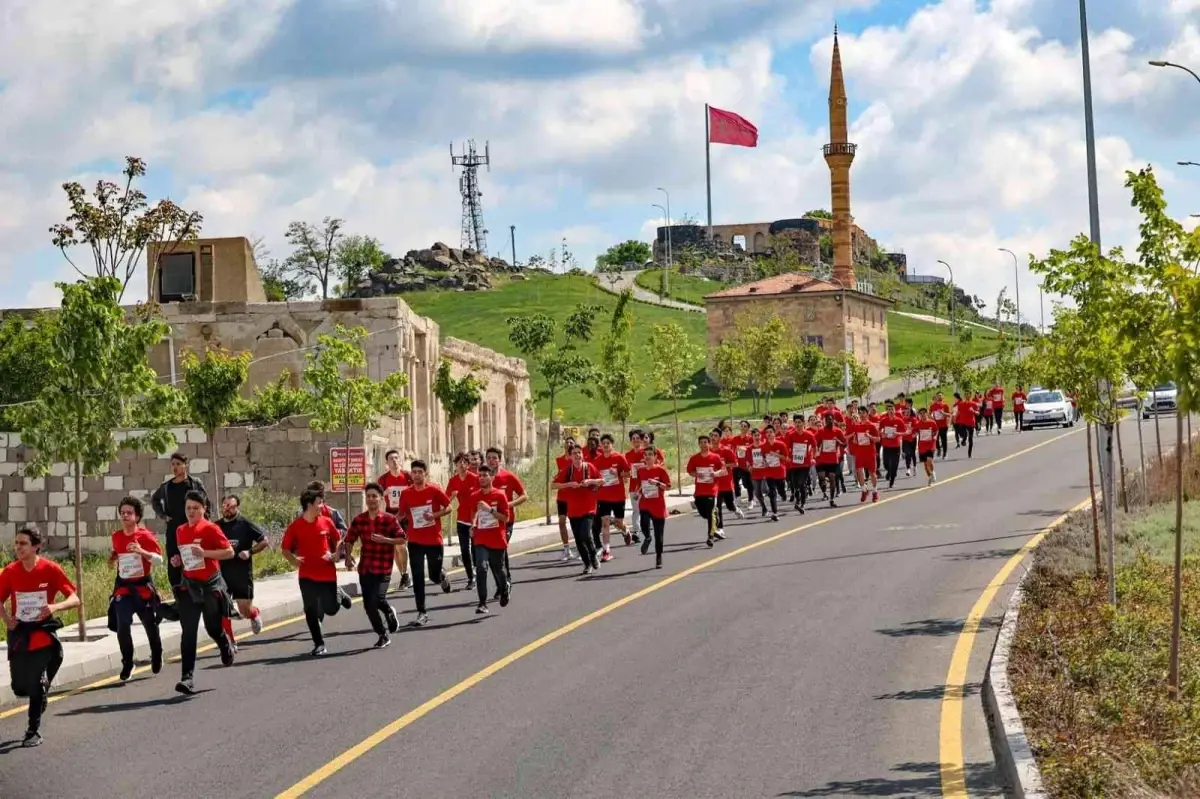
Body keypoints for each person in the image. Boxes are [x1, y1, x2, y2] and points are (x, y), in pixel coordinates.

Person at [2, 526, 81, 746]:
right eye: (16, 543)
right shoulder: (10, 571)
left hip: (43, 634)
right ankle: (41, 692)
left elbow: (75, 599)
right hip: (19, 635)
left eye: (23, 543)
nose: (18, 547)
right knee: (20, 687)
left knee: (36, 684)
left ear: (36, 546)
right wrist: (7, 620)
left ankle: (32, 731)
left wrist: (55, 607)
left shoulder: (51, 569)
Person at [172, 491, 236, 694]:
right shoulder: (180, 530)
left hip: (210, 586)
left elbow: (229, 552)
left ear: (203, 509)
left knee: (212, 628)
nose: (191, 511)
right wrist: (178, 561)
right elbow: (186, 557)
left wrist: (205, 553)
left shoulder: (211, 529)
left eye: (195, 508)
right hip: (190, 586)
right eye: (188, 508)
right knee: (188, 633)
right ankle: (187, 678)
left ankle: (224, 643)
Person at [281, 489, 352, 657]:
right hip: (306, 576)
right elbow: (284, 549)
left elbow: (339, 538)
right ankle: (319, 644)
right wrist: (293, 560)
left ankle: (339, 595)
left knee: (331, 609)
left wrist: (336, 554)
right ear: (309, 504)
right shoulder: (296, 526)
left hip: (327, 574)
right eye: (319, 502)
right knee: (310, 610)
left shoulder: (326, 522)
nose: (322, 506)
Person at [108, 496, 164, 682]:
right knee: (122, 625)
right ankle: (128, 662)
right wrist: (112, 559)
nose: (125, 515)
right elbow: (117, 554)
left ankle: (157, 654)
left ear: (137, 516)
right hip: (123, 588)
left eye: (129, 513)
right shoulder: (116, 536)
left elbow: (159, 560)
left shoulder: (145, 536)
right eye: (122, 513)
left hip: (143, 588)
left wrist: (142, 552)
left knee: (150, 624)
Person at [343, 482, 403, 648]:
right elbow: (349, 539)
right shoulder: (359, 520)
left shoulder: (389, 520)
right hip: (366, 567)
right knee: (368, 605)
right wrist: (348, 556)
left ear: (380, 499)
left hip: (383, 566)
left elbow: (402, 538)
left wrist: (386, 540)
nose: (371, 499)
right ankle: (382, 634)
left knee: (378, 598)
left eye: (374, 496)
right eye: (368, 496)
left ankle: (389, 611)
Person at [395, 460, 454, 626]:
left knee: (434, 576)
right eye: (414, 472)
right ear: (411, 474)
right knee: (418, 577)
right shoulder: (406, 493)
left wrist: (434, 516)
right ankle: (421, 612)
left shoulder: (434, 489)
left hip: (434, 539)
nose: (417, 475)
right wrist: (392, 522)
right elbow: (401, 514)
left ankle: (441, 576)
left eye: (420, 471)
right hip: (415, 541)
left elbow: (449, 507)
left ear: (425, 474)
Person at [150, 452, 209, 599]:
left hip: (193, 529)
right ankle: (179, 596)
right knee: (174, 561)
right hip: (174, 530)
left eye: (178, 464)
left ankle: (199, 592)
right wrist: (163, 515)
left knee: (194, 559)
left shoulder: (194, 483)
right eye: (173, 464)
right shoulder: (166, 487)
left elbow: (206, 502)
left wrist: (205, 522)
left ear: (185, 465)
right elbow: (155, 500)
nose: (175, 467)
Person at [215, 494, 269, 649]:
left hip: (241, 573)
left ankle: (254, 613)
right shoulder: (217, 526)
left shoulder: (244, 524)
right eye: (225, 506)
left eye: (231, 506)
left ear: (237, 507)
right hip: (222, 574)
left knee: (244, 610)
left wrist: (249, 552)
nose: (228, 509)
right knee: (224, 610)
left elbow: (264, 541)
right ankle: (230, 642)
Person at [467, 466, 512, 613]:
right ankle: (482, 603)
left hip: (497, 539)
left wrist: (490, 510)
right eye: (479, 475)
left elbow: (506, 518)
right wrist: (473, 526)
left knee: (498, 569)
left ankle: (504, 588)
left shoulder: (499, 495)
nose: (481, 478)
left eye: (485, 475)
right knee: (481, 567)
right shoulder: (474, 496)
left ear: (492, 478)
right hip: (480, 538)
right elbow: (473, 513)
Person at [553, 444, 603, 574]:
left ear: (582, 454)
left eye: (579, 453)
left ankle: (593, 556)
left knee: (586, 535)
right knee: (578, 539)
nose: (577, 455)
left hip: (588, 508)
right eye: (574, 453)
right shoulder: (567, 470)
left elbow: (601, 480)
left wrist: (590, 481)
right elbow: (553, 485)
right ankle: (587, 564)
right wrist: (569, 484)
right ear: (570, 456)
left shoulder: (589, 467)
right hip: (573, 510)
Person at [486, 448, 527, 596]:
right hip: (488, 524)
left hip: (506, 522)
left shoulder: (508, 477)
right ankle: (501, 584)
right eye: (489, 458)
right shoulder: (482, 479)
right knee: (491, 557)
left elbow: (524, 495)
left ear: (500, 460)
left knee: (500, 551)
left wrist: (509, 504)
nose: (491, 461)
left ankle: (506, 582)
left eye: (494, 458)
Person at [590, 434, 632, 561]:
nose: (606, 445)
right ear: (601, 446)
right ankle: (606, 550)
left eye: (608, 443)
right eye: (604, 443)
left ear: (612, 445)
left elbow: (629, 473)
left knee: (618, 522)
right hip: (603, 497)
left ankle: (625, 531)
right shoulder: (597, 461)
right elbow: (595, 477)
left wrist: (618, 473)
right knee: (605, 522)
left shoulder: (619, 458)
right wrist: (596, 484)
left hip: (618, 495)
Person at [377, 451, 412, 590]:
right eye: (391, 459)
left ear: (400, 461)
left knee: (401, 545)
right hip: (391, 514)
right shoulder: (383, 479)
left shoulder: (407, 476)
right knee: (396, 548)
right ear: (387, 463)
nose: (395, 461)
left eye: (397, 458)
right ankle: (404, 574)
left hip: (406, 514)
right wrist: (383, 494)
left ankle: (405, 574)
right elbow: (376, 498)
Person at [446, 453, 482, 588]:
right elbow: (445, 500)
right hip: (461, 519)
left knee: (475, 549)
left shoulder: (475, 479)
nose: (461, 465)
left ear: (468, 465)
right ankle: (470, 578)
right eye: (458, 463)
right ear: (455, 465)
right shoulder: (453, 481)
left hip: (475, 519)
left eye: (464, 462)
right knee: (464, 550)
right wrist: (452, 496)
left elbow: (482, 497)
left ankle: (478, 571)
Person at [687, 434, 727, 546]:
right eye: (701, 442)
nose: (704, 444)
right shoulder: (694, 458)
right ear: (698, 444)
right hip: (699, 491)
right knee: (704, 514)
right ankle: (715, 519)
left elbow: (723, 470)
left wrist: (715, 473)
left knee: (710, 513)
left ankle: (710, 537)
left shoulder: (716, 457)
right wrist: (697, 475)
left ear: (709, 443)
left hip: (711, 490)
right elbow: (690, 471)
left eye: (705, 442)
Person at [637, 448, 672, 568]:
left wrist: (657, 483)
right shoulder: (640, 470)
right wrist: (638, 493)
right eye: (645, 455)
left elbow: (668, 487)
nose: (647, 457)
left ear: (655, 457)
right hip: (645, 503)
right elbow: (640, 485)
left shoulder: (660, 470)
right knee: (644, 523)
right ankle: (647, 537)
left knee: (659, 534)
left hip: (658, 505)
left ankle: (659, 556)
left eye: (650, 455)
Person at [757, 426, 789, 522]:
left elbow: (786, 458)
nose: (769, 434)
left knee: (780, 490)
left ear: (774, 433)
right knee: (772, 492)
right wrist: (764, 462)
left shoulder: (781, 444)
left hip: (780, 471)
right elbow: (762, 457)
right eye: (767, 432)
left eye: (771, 432)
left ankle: (783, 494)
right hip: (769, 472)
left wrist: (777, 455)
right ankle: (775, 513)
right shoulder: (763, 446)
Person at [712, 428, 741, 534]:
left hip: (726, 482)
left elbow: (735, 464)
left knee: (729, 505)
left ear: (720, 438)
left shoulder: (726, 450)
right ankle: (720, 528)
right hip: (715, 484)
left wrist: (724, 465)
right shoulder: (708, 451)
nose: (713, 438)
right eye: (712, 435)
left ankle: (735, 509)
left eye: (715, 436)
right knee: (717, 506)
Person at [785, 413, 816, 514]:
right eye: (796, 422)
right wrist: (788, 456)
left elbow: (815, 446)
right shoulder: (790, 435)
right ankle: (798, 500)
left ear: (803, 423)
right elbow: (786, 447)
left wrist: (813, 457)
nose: (797, 424)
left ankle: (802, 504)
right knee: (795, 485)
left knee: (801, 483)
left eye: (799, 422)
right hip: (794, 464)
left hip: (805, 464)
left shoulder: (809, 435)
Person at [849, 407, 881, 503]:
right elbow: (855, 439)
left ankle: (875, 492)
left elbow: (878, 439)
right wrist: (855, 441)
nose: (862, 415)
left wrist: (870, 436)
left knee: (872, 474)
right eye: (860, 413)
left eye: (863, 413)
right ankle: (864, 490)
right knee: (859, 471)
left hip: (870, 453)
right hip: (859, 453)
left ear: (867, 414)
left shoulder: (871, 426)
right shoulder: (857, 426)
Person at [814, 414, 846, 507]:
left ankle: (832, 499)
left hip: (832, 459)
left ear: (834, 420)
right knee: (821, 477)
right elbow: (814, 443)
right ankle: (824, 490)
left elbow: (845, 444)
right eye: (828, 420)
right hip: (821, 459)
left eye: (831, 419)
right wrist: (817, 448)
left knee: (832, 479)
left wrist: (838, 442)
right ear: (824, 421)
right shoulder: (820, 431)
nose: (830, 421)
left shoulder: (838, 431)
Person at [554, 438, 577, 562]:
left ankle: (580, 546)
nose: (569, 444)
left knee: (575, 523)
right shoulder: (559, 460)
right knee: (562, 522)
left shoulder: (577, 460)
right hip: (562, 496)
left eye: (571, 443)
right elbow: (558, 476)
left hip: (574, 496)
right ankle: (566, 548)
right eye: (567, 442)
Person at [878, 400, 907, 489]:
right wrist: (882, 433)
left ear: (895, 410)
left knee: (894, 465)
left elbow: (905, 432)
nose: (890, 411)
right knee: (886, 464)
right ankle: (889, 472)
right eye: (889, 410)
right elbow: (880, 430)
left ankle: (892, 482)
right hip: (886, 446)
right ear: (887, 411)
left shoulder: (899, 421)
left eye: (892, 409)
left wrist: (897, 434)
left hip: (895, 446)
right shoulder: (883, 420)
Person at [914, 408, 940, 485]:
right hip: (922, 446)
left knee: (929, 460)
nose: (922, 415)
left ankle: (932, 473)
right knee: (925, 465)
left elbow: (936, 430)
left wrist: (935, 436)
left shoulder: (932, 422)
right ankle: (930, 477)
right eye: (921, 414)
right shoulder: (918, 424)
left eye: (924, 413)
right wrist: (914, 434)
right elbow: (915, 431)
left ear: (927, 414)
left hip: (931, 444)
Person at [953, 392, 978, 458]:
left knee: (970, 438)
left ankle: (969, 454)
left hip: (971, 423)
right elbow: (958, 412)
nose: (967, 395)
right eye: (966, 394)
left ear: (970, 395)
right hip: (963, 422)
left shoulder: (973, 404)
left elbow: (978, 413)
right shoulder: (961, 404)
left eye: (968, 394)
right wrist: (955, 419)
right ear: (964, 396)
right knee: (962, 434)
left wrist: (973, 411)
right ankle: (963, 440)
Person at [930, 392, 951, 459]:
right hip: (936, 426)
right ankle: (938, 449)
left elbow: (949, 415)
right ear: (936, 397)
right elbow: (929, 414)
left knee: (943, 440)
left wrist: (943, 413)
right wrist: (931, 417)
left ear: (943, 397)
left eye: (941, 395)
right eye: (938, 395)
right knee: (935, 439)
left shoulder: (945, 405)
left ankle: (945, 453)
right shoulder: (932, 406)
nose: (939, 397)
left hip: (943, 425)